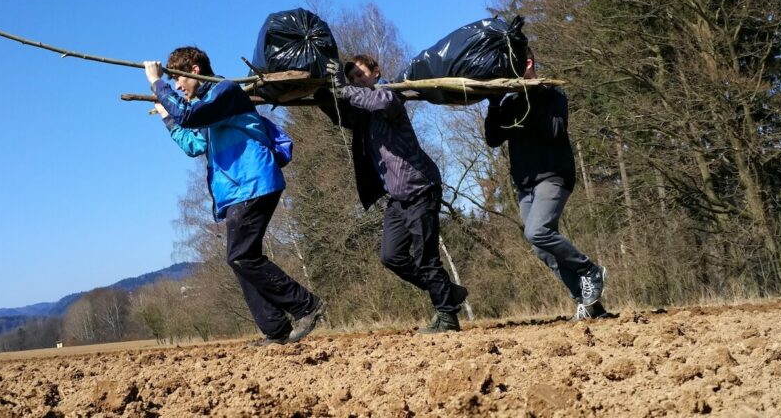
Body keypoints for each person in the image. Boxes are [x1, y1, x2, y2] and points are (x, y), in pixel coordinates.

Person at [143, 47, 325, 345]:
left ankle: (306, 305)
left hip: (253, 182)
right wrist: (167, 118)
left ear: (195, 71)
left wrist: (157, 83)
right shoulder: (208, 107)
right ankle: (276, 330)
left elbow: (188, 115)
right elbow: (192, 144)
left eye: (178, 80)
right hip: (236, 191)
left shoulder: (226, 92)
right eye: (172, 83)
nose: (177, 86)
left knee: (241, 255)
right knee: (240, 258)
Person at [320, 54, 468, 333]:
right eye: (353, 79)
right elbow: (344, 113)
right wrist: (328, 93)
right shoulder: (364, 112)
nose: (357, 82)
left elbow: (381, 101)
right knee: (391, 256)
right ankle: (448, 292)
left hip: (420, 187)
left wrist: (345, 88)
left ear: (377, 72)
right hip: (398, 197)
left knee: (426, 257)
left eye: (361, 76)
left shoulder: (390, 95)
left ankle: (447, 316)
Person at [484, 48, 608, 320]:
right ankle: (590, 304)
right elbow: (493, 139)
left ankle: (590, 271)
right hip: (525, 183)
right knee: (540, 246)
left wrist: (531, 99)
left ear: (527, 63)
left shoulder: (553, 95)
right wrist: (494, 104)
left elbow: (555, 129)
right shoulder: (509, 104)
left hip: (554, 175)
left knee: (537, 231)